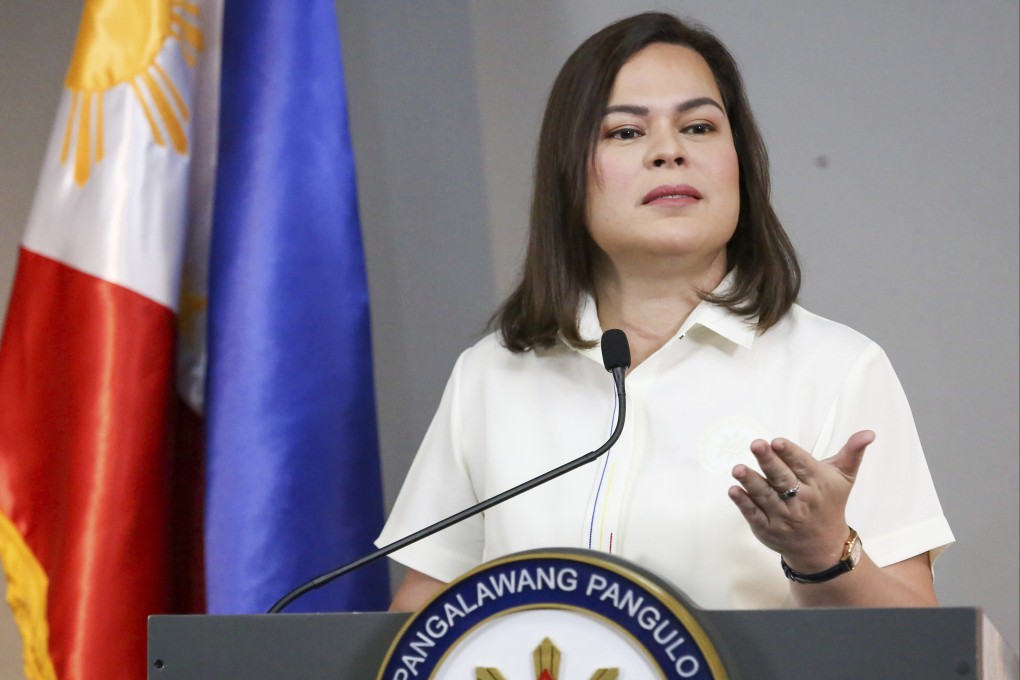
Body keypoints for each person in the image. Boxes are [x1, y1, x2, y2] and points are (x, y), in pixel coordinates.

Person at [375, 12, 953, 612]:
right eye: (625, 133)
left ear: (740, 165)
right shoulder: (492, 375)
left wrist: (824, 554)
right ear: (571, 173)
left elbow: (919, 646)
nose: (670, 151)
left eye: (699, 127)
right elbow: (421, 627)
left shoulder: (836, 368)